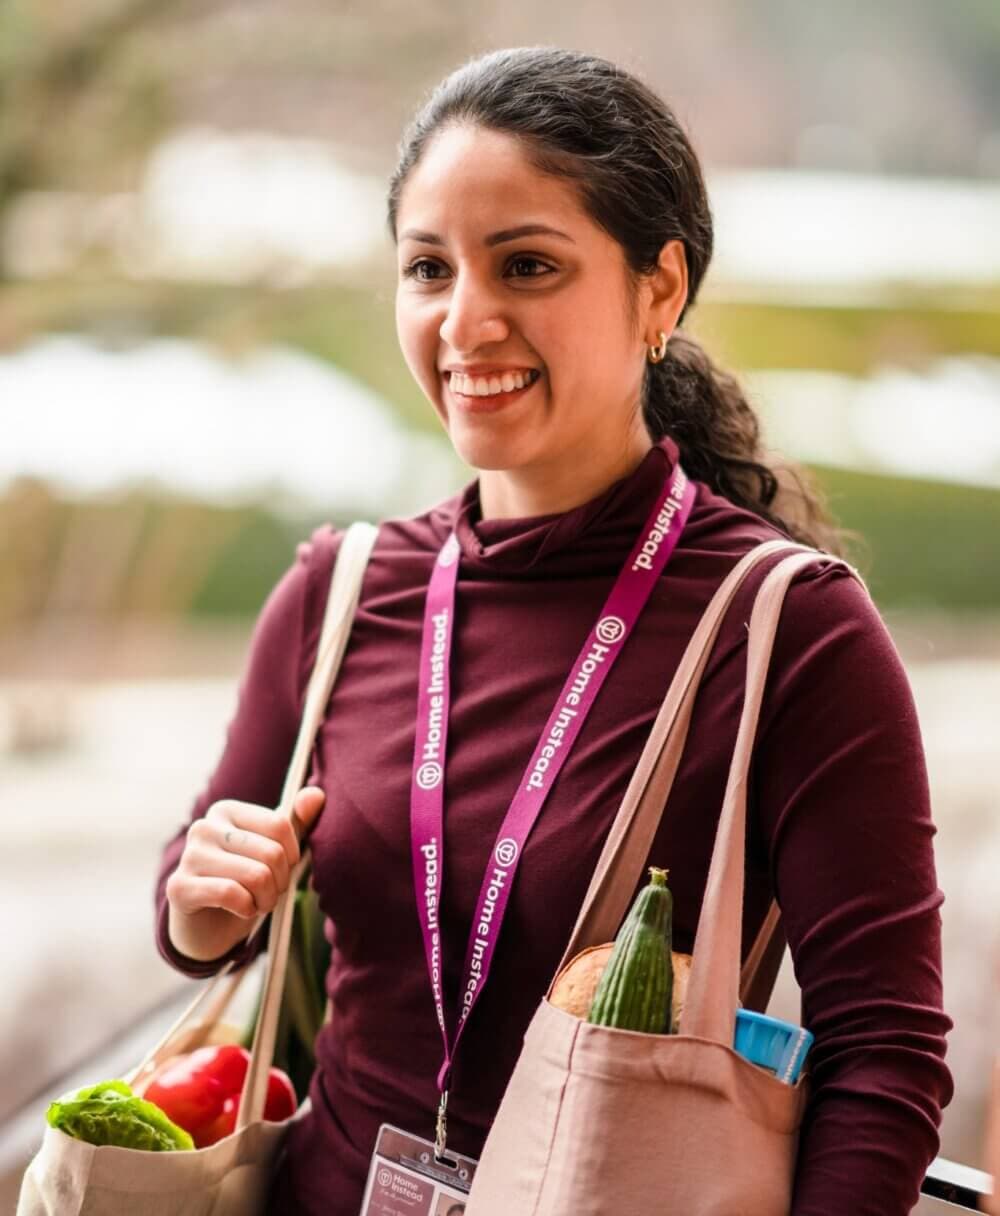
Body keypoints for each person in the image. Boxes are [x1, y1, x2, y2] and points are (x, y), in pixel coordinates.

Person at [154, 47, 953, 1216]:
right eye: (429, 268)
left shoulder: (789, 629)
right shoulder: (342, 590)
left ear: (658, 291)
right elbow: (196, 911)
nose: (465, 321)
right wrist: (202, 898)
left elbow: (883, 1055)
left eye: (526, 265)